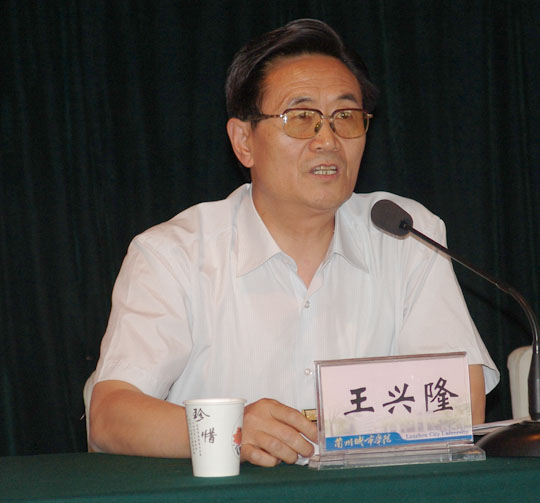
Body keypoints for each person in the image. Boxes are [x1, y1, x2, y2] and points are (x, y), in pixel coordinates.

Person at [89, 18, 499, 467]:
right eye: (301, 118)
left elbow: (459, 407)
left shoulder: (404, 234)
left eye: (346, 117)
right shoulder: (175, 255)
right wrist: (231, 432)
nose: (327, 140)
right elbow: (109, 417)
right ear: (243, 141)